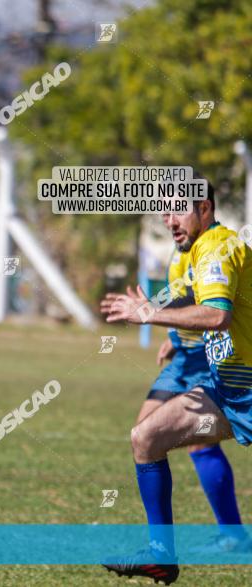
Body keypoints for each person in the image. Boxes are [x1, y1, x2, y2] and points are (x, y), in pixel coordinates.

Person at [100, 181, 252, 584]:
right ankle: (161, 555)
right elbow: (196, 306)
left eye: (177, 211)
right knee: (146, 437)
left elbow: (216, 314)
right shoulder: (193, 252)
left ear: (204, 207)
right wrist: (171, 334)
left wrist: (149, 313)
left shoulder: (217, 248)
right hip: (229, 392)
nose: (169, 221)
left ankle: (232, 534)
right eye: (164, 213)